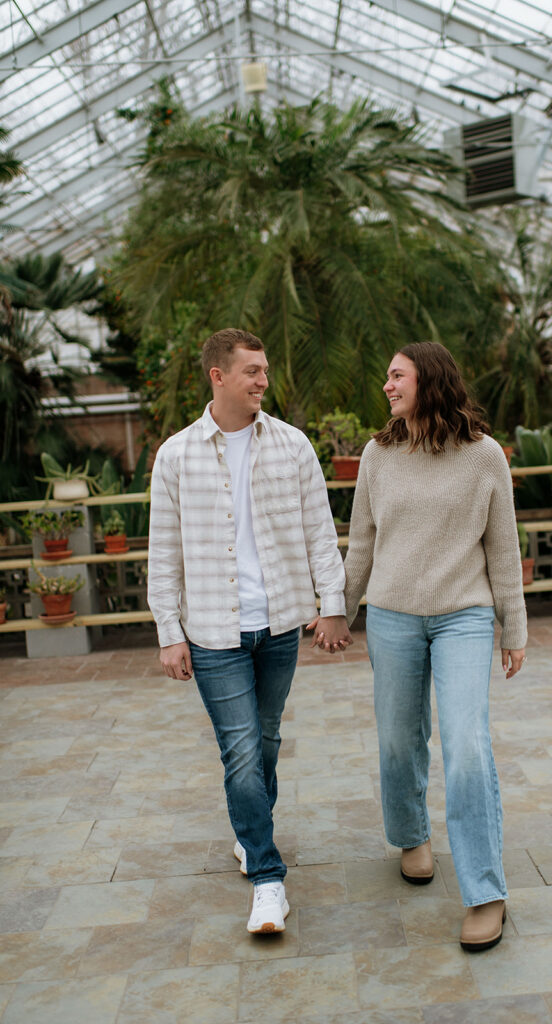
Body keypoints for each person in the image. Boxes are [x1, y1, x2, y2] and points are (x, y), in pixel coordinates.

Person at [147, 327, 352, 935]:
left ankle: (248, 831)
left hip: (282, 624)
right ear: (218, 376)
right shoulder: (176, 456)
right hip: (212, 632)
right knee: (240, 753)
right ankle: (268, 879)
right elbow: (164, 553)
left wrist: (333, 602)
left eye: (265, 370)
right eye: (253, 371)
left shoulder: (292, 446)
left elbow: (321, 532)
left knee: (264, 743)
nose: (264, 380)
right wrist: (168, 630)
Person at [343, 341, 527, 952]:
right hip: (392, 616)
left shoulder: (484, 456)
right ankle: (412, 835)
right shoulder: (377, 453)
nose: (387, 386)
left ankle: (485, 892)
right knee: (398, 740)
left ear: (430, 378)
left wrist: (513, 627)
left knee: (468, 744)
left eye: (396, 376)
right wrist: (338, 613)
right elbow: (362, 545)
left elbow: (502, 549)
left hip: (463, 618)